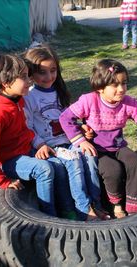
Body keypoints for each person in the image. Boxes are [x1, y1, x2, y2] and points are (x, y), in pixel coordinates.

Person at [60, 59, 137, 218]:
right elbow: (65, 118)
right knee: (113, 170)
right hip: (97, 150)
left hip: (118, 146)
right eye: (115, 85)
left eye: (124, 83)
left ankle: (133, 203)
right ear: (100, 87)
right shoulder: (89, 101)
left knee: (134, 159)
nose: (121, 89)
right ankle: (116, 205)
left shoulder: (129, 104)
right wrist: (81, 140)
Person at [0, 53, 73, 217]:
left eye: (28, 75)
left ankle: (67, 209)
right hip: (9, 161)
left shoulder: (18, 101)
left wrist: (40, 144)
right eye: (23, 77)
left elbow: (24, 130)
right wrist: (2, 181)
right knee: (44, 169)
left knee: (57, 164)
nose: (30, 80)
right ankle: (48, 215)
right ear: (6, 83)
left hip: (26, 151)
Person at [23, 45, 109, 221]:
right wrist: (39, 144)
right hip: (48, 146)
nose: (49, 77)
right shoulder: (29, 97)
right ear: (31, 73)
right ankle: (83, 210)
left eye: (53, 70)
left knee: (90, 156)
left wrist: (80, 127)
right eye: (42, 72)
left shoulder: (59, 91)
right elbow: (27, 127)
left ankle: (96, 204)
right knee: (73, 162)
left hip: (68, 140)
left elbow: (67, 119)